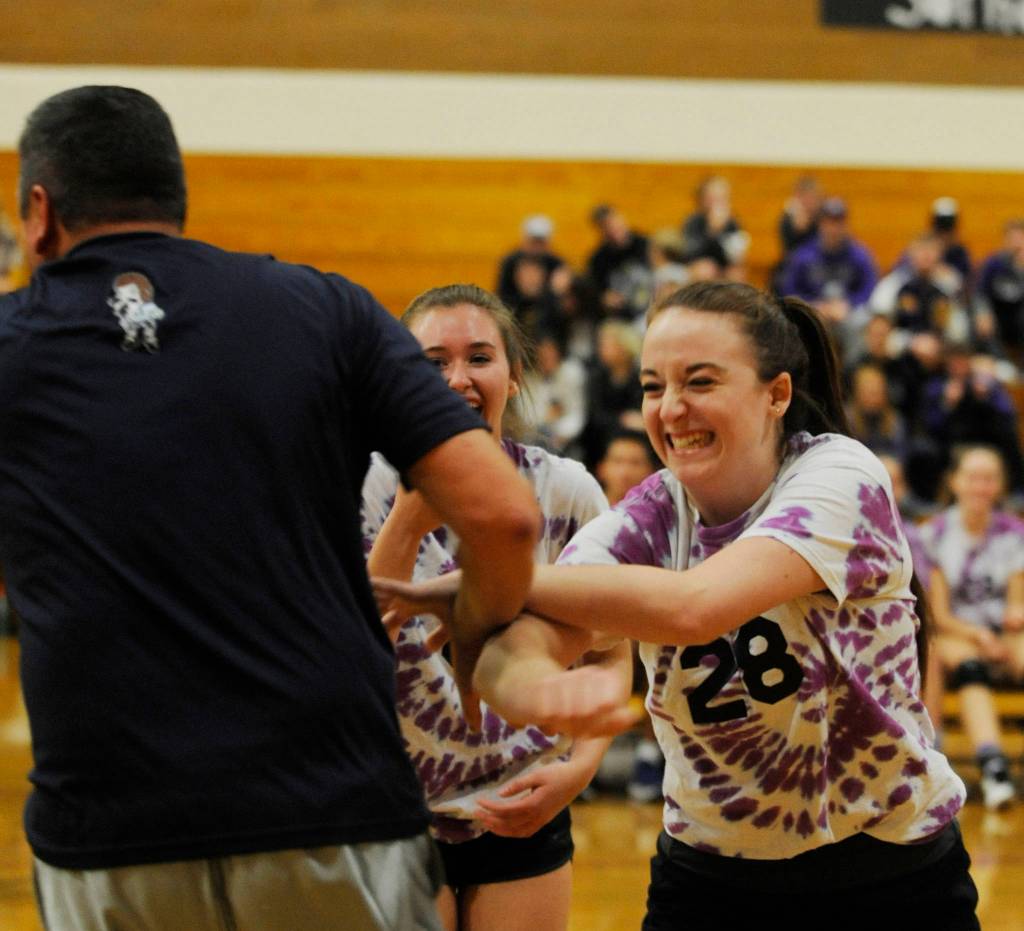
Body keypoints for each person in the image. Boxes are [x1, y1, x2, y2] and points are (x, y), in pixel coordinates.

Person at [0, 86, 544, 931]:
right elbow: (505, 514)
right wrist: (475, 630)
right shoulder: (321, 308)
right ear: (174, 199)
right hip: (334, 805)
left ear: (39, 212)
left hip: (110, 820)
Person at [378, 281, 979, 930]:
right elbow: (522, 642)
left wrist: (494, 583)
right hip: (710, 879)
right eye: (653, 386)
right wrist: (535, 688)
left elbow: (697, 605)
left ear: (776, 394)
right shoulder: (646, 519)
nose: (670, 408)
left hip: (888, 875)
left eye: (699, 381)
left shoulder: (841, 476)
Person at [362, 284, 632, 931]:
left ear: (513, 376)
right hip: (391, 811)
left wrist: (580, 770)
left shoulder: (566, 491)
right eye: (432, 362)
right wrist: (406, 522)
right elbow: (345, 652)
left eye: (480, 357)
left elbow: (613, 646)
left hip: (522, 805)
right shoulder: (360, 487)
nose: (457, 378)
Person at [920, 446, 1024, 810]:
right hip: (957, 633)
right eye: (974, 477)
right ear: (955, 482)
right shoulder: (934, 534)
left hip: (1003, 632)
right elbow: (939, 614)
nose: (982, 486)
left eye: (989, 478)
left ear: (1000, 485)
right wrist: (979, 636)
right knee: (968, 665)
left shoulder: (1013, 532)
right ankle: (993, 765)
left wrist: (1014, 614)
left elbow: (1016, 597)